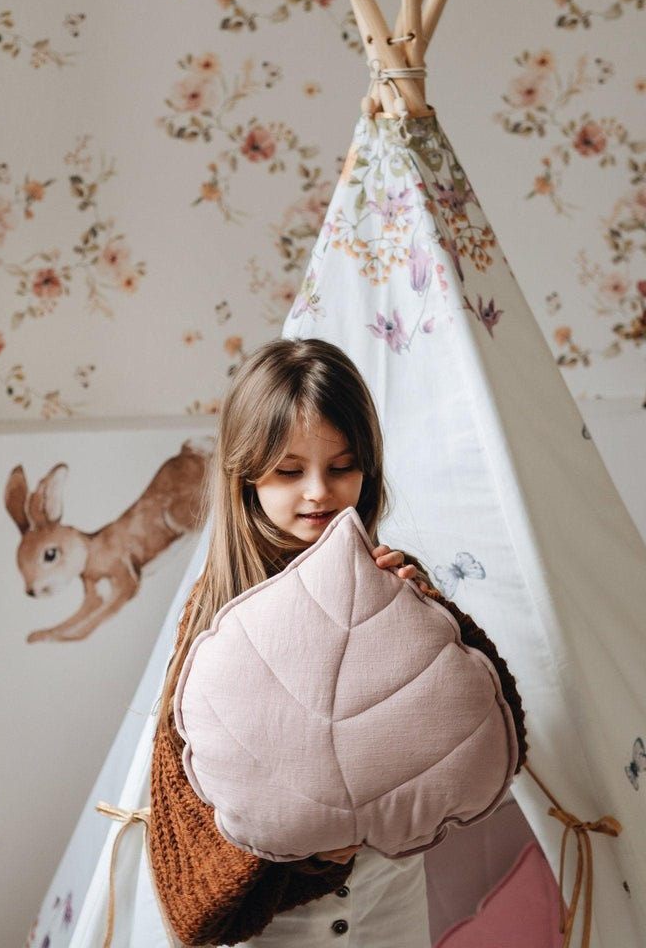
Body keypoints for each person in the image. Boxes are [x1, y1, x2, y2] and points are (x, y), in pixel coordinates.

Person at [147, 336, 527, 947]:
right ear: (244, 473)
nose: (319, 491)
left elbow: (477, 725)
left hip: (388, 901)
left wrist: (434, 616)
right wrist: (310, 854)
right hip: (281, 927)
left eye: (342, 467)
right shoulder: (215, 614)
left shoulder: (392, 579)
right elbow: (192, 804)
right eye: (289, 471)